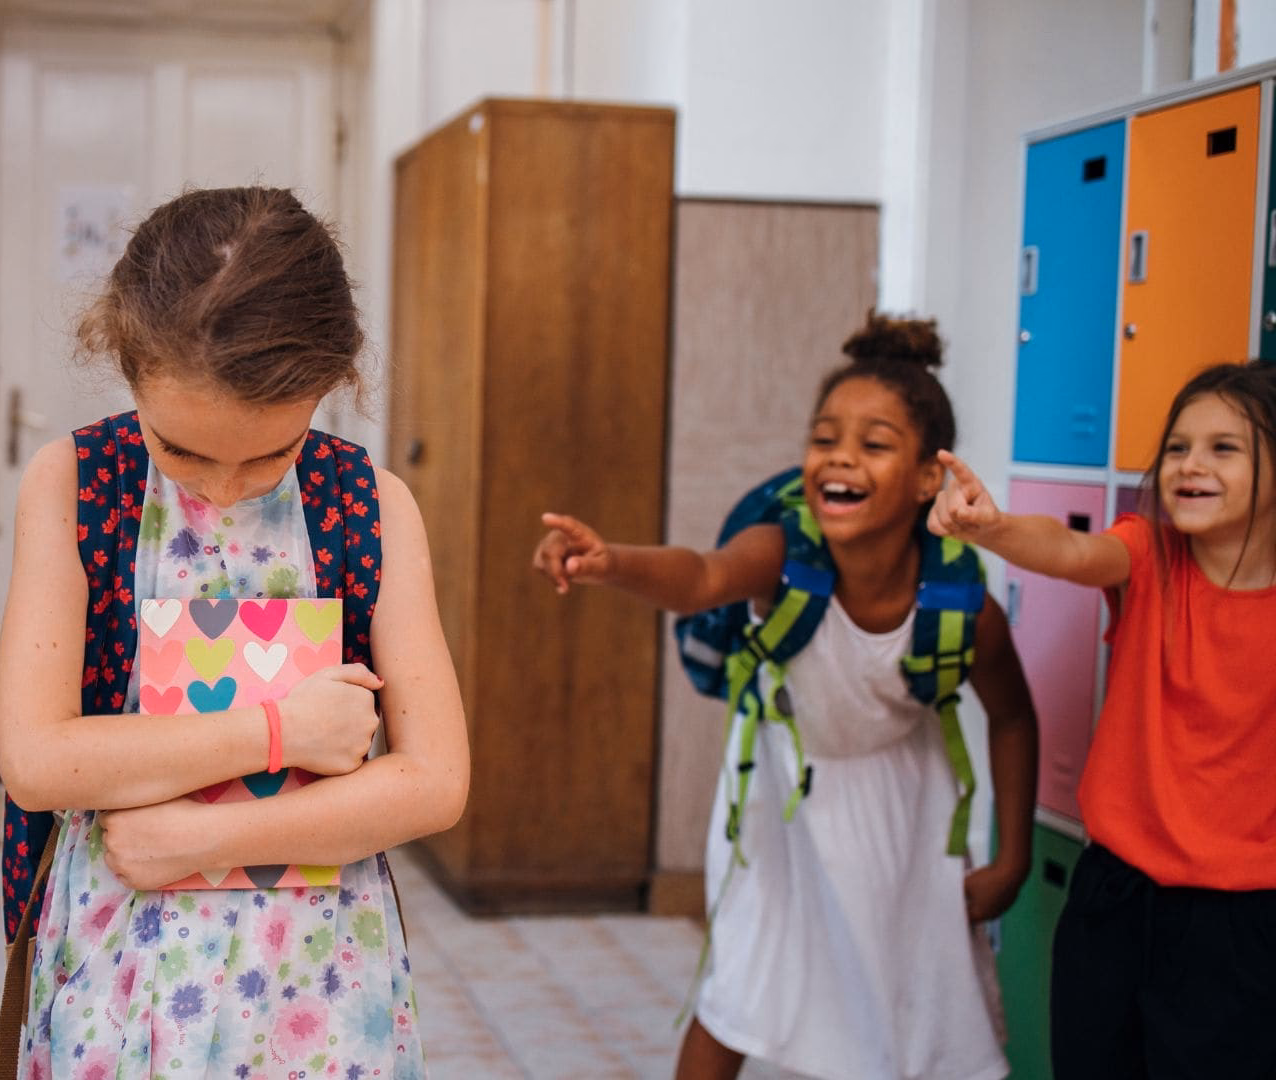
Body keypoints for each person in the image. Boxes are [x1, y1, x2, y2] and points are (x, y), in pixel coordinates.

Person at [0, 187, 469, 1078]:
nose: (218, 492)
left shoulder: (373, 504)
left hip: (321, 971)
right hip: (116, 954)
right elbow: (35, 759)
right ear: (127, 365)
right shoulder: (70, 484)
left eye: (269, 454)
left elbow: (435, 781)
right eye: (181, 451)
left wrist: (204, 840)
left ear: (330, 385)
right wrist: (281, 731)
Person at [534, 313, 1036, 1080]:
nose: (841, 456)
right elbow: (701, 576)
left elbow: (1013, 717)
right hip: (783, 797)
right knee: (744, 980)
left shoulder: (964, 609)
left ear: (928, 479)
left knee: (924, 995)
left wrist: (1015, 857)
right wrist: (612, 562)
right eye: (824, 438)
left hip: (907, 808)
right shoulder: (783, 554)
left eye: (875, 444)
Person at [930, 361, 1276, 1078]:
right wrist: (994, 529)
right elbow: (1071, 550)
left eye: (1223, 448)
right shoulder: (1150, 555)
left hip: (1243, 920)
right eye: (1177, 447)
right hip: (1113, 897)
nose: (1189, 465)